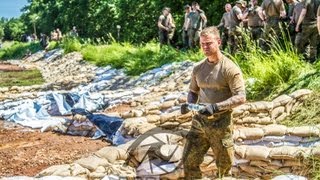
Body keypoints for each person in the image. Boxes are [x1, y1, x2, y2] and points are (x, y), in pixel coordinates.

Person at [181, 26, 246, 179]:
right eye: (202, 44)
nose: (205, 47)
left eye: (209, 43)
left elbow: (241, 97)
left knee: (224, 168)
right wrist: (189, 104)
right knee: (188, 161)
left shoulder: (229, 68)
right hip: (199, 122)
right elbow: (193, 92)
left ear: (219, 42)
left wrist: (216, 107)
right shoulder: (198, 68)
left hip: (221, 123)